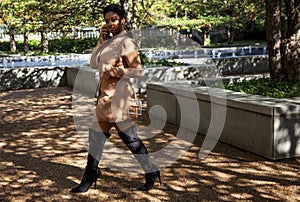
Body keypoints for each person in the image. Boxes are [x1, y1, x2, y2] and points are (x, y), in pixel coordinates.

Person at [71, 4, 161, 193]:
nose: (109, 24)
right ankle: (90, 177)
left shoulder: (126, 43)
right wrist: (100, 40)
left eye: (113, 20)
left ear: (122, 20)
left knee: (130, 140)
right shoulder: (109, 42)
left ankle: (151, 172)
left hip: (119, 100)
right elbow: (94, 63)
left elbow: (138, 71)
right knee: (96, 138)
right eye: (106, 21)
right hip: (105, 99)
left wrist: (112, 70)